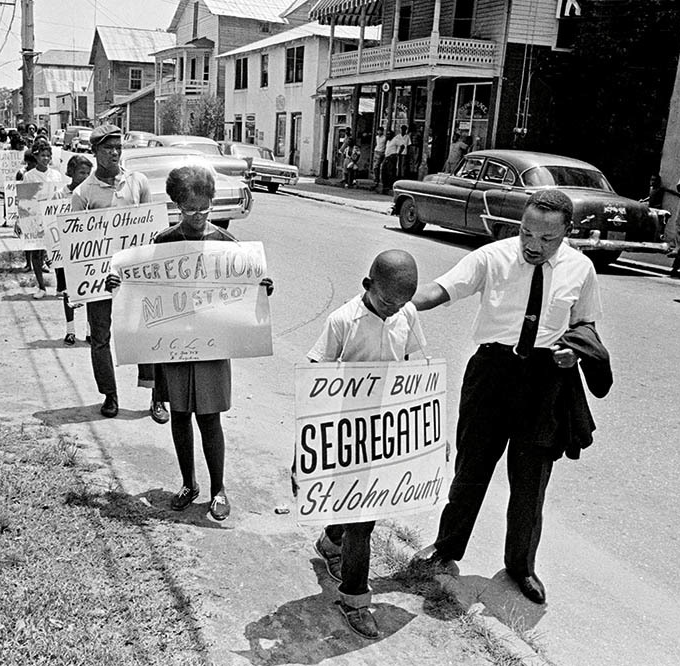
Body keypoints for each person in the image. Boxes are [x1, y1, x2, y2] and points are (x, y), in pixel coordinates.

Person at [411, 189, 610, 606]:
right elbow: (442, 289)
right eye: (527, 233)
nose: (534, 245)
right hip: (492, 375)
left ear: (567, 233)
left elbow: (586, 322)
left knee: (530, 484)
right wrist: (394, 303)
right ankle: (446, 549)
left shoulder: (581, 268)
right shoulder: (493, 256)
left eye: (547, 239)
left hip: (544, 383)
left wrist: (573, 349)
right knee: (470, 470)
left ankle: (521, 566)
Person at [131, 164, 273, 521]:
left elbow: (245, 290)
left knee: (210, 419)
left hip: (211, 347)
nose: (197, 216)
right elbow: (146, 291)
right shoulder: (163, 243)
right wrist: (122, 287)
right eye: (189, 209)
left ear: (212, 203)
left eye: (204, 208)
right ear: (177, 206)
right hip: (174, 346)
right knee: (179, 415)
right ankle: (188, 483)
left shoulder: (227, 246)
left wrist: (261, 287)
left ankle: (218, 488)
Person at [307, 250, 425, 638]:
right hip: (346, 430)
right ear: (367, 286)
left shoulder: (406, 315)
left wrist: (429, 430)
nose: (394, 309)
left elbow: (416, 367)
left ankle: (330, 540)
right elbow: (315, 378)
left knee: (359, 507)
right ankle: (355, 599)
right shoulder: (342, 320)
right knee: (364, 520)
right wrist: (307, 444)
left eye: (403, 302)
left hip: (387, 429)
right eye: (387, 301)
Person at [70, 124, 169, 423]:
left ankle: (156, 398)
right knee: (100, 337)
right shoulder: (83, 193)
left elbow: (150, 229)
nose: (114, 153)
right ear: (95, 151)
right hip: (99, 279)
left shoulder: (137, 182)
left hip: (135, 275)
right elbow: (77, 244)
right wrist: (75, 282)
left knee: (149, 332)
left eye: (118, 148)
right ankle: (109, 395)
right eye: (107, 148)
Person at [53, 154, 93, 345]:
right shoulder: (60, 194)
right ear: (71, 172)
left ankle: (89, 330)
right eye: (80, 173)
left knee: (92, 290)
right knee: (69, 291)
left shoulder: (91, 193)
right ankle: (70, 330)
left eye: (88, 173)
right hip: (67, 249)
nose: (84, 177)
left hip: (89, 248)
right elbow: (52, 223)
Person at [19, 139, 65, 299]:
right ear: (36, 157)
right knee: (37, 252)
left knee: (57, 251)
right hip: (36, 218)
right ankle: (41, 287)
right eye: (42, 156)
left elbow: (60, 197)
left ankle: (61, 286)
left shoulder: (56, 175)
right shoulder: (29, 176)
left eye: (48, 155)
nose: (45, 159)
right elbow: (26, 200)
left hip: (53, 217)